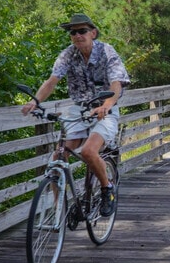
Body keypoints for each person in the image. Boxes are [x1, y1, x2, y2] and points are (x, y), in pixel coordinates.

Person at [21, 13, 130, 216]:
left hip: (105, 109)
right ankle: (58, 208)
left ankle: (107, 189)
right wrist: (35, 102)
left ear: (93, 33)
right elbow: (52, 80)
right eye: (73, 32)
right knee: (58, 156)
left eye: (82, 31)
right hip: (79, 109)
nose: (78, 35)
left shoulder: (107, 51)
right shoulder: (67, 55)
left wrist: (106, 105)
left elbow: (116, 82)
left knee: (88, 151)